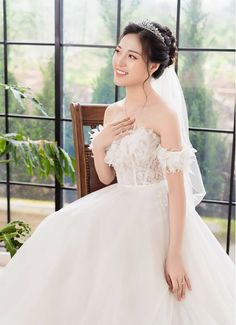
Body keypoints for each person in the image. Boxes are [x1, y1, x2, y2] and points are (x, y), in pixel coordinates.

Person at [0, 19, 235, 325]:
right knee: (60, 235)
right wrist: (101, 144)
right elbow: (108, 177)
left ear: (152, 66)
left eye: (132, 56)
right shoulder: (114, 111)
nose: (120, 62)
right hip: (117, 200)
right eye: (118, 51)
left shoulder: (165, 116)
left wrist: (174, 254)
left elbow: (178, 191)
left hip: (156, 212)